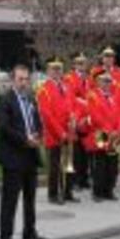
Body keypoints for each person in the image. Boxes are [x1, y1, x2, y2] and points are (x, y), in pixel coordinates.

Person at [0, 65, 45, 239]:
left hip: (30, 155)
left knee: (30, 197)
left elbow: (38, 122)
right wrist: (25, 139)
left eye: (26, 79)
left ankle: (29, 231)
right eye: (20, 79)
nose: (24, 83)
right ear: (13, 80)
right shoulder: (5, 99)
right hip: (13, 156)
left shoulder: (31, 99)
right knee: (10, 198)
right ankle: (6, 235)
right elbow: (4, 127)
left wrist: (38, 135)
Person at [37, 57, 78, 205]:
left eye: (59, 68)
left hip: (69, 131)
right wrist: (61, 132)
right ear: (48, 71)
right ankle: (53, 194)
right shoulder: (44, 90)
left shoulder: (67, 86)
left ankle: (68, 192)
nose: (57, 71)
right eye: (53, 69)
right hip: (54, 134)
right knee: (54, 166)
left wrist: (75, 117)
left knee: (68, 163)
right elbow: (47, 115)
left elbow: (74, 105)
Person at [84, 69, 120, 201]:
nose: (107, 83)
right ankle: (97, 192)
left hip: (114, 135)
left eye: (109, 81)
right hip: (100, 135)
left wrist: (119, 129)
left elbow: (119, 115)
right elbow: (95, 116)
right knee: (99, 165)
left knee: (112, 164)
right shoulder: (92, 96)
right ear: (97, 82)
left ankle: (109, 190)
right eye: (104, 81)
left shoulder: (113, 96)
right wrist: (109, 131)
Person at [64, 53, 92, 190]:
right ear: (74, 65)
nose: (82, 66)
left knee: (85, 151)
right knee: (75, 153)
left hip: (86, 119)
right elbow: (70, 97)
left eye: (83, 63)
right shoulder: (70, 78)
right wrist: (81, 103)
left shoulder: (88, 79)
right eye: (79, 63)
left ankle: (83, 179)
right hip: (75, 117)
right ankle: (75, 181)